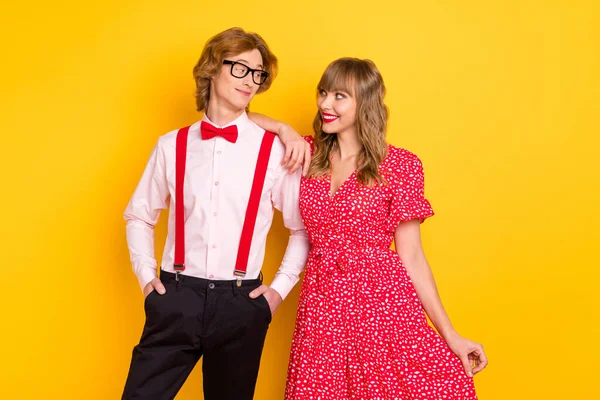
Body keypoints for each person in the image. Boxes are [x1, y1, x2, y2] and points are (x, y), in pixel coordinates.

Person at [249, 57, 488, 399]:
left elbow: (413, 257)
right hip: (322, 307)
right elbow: (236, 121)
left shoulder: (401, 165)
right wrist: (283, 129)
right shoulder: (306, 153)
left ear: (365, 103)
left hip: (381, 306)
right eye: (323, 92)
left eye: (339, 96)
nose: (324, 104)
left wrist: (451, 335)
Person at [121, 27, 310, 400]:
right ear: (211, 68)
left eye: (258, 73)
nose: (251, 81)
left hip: (241, 304)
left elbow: (300, 229)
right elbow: (139, 216)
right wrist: (147, 280)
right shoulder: (171, 145)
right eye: (241, 68)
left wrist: (277, 293)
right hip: (176, 296)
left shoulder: (274, 150)